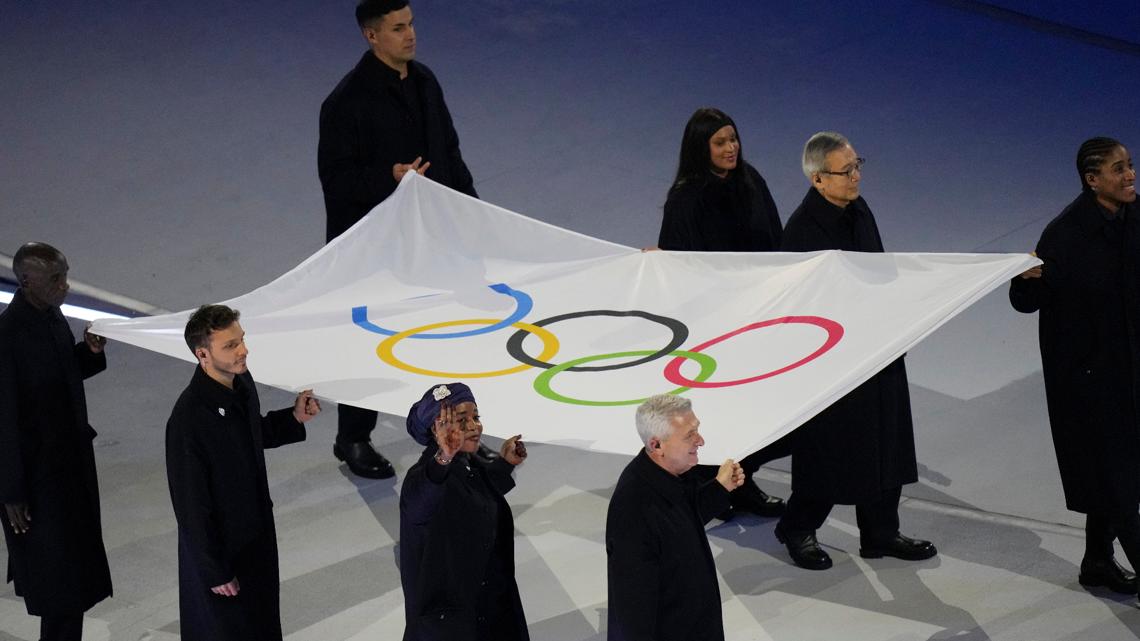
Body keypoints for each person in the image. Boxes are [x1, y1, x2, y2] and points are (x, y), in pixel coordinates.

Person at [318, 0, 478, 480]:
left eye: (411, 25)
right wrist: (388, 176)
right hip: (376, 248)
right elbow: (336, 181)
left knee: (443, 330)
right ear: (372, 36)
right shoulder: (344, 104)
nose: (410, 35)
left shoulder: (426, 81)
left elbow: (449, 150)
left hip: (432, 237)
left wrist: (472, 211)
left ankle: (453, 429)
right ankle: (352, 437)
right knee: (367, 342)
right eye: (398, 28)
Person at [775, 132, 936, 570]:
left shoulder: (859, 209)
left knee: (889, 440)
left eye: (857, 165)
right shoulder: (802, 232)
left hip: (878, 344)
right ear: (817, 179)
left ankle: (880, 531)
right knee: (834, 450)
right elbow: (801, 308)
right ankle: (797, 526)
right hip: (835, 357)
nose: (856, 176)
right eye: (845, 171)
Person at [1009, 137, 1139, 598]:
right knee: (1121, 484)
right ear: (1092, 180)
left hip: (1129, 372)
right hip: (1087, 381)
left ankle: (1097, 562)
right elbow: (1027, 302)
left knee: (1118, 475)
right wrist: (1021, 279)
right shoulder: (1065, 234)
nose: (1129, 175)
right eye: (1118, 169)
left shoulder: (1134, 216)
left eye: (1130, 166)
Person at [657, 107, 788, 518]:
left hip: (759, 313)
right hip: (715, 324)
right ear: (702, 148)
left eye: (733, 139)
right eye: (720, 142)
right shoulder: (685, 197)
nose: (731, 148)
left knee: (766, 410)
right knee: (721, 412)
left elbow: (777, 240)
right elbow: (677, 264)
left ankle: (739, 480)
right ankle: (714, 488)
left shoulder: (751, 180)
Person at [165, 304, 321, 640]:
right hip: (224, 553)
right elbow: (191, 506)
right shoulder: (188, 422)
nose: (243, 350)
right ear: (202, 354)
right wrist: (214, 570)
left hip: (257, 538)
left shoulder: (241, 383)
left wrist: (292, 419)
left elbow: (249, 435)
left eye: (242, 340)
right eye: (230, 346)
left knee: (263, 625)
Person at [0, 242, 112, 641]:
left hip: (67, 473)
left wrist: (90, 353)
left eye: (65, 276)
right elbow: (3, 419)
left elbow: (57, 377)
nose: (65, 286)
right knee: (60, 591)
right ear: (27, 281)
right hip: (37, 486)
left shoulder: (50, 315)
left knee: (73, 589)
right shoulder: (8, 336)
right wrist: (10, 492)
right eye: (55, 279)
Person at [605, 394, 745, 641]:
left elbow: (680, 522)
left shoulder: (676, 472)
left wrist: (720, 488)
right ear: (657, 445)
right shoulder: (634, 510)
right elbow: (633, 605)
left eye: (697, 430)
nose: (700, 441)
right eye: (690, 435)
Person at [399, 382, 529, 641]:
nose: (474, 426)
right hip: (449, 625)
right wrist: (444, 457)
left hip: (486, 608)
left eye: (476, 416)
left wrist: (504, 465)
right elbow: (421, 502)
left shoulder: (468, 464)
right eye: (461, 420)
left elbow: (472, 500)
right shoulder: (425, 476)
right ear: (437, 429)